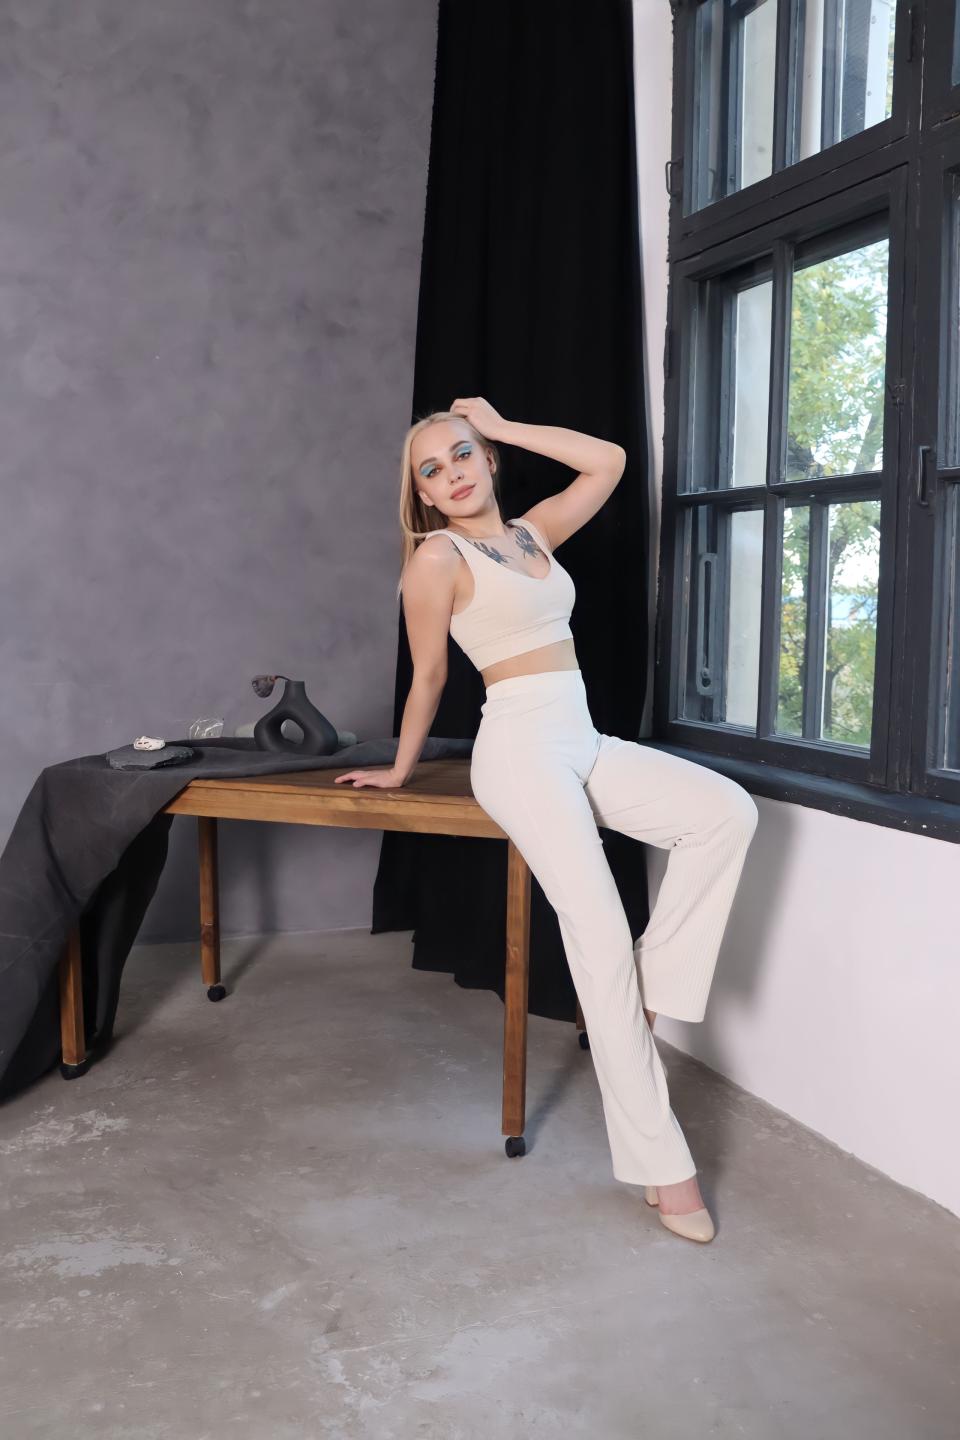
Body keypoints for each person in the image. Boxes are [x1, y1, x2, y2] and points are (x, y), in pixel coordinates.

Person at [334, 397, 758, 1243]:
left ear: (488, 459)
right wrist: (401, 767)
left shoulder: (532, 535)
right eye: (432, 470)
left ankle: (650, 993)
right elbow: (427, 676)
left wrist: (501, 424)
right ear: (423, 495)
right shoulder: (437, 559)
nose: (452, 474)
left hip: (581, 737)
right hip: (519, 752)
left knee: (724, 812)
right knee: (598, 933)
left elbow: (609, 462)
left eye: (463, 454)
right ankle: (663, 1167)